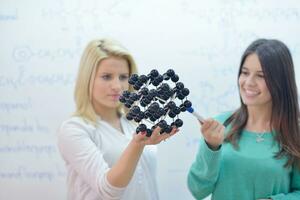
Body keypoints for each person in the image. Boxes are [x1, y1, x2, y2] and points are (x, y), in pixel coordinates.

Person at [57, 38, 178, 200]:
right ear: (88, 79)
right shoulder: (75, 129)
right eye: (106, 77)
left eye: (123, 77)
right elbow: (109, 191)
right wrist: (137, 144)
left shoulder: (134, 123)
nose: (117, 86)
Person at [187, 39, 300, 200]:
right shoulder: (220, 125)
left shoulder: (295, 132)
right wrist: (211, 147)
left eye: (261, 76)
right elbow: (198, 191)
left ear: (280, 82)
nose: (248, 82)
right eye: (245, 72)